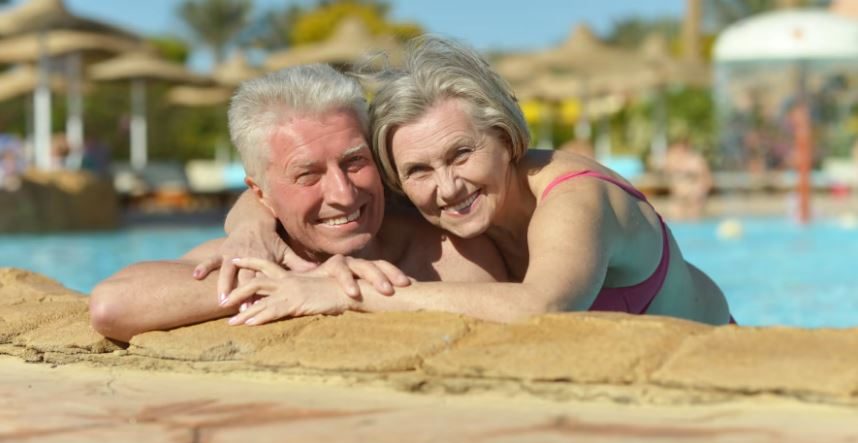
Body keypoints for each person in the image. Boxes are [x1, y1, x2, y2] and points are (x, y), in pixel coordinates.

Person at [219, 36, 732, 326]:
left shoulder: (576, 199)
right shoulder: (433, 194)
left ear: (506, 138)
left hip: (716, 367)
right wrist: (249, 227)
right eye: (418, 170)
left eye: (461, 154)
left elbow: (543, 306)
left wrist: (345, 294)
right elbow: (287, 191)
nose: (447, 187)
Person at [89, 64, 506, 342]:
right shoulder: (260, 255)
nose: (343, 194)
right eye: (308, 175)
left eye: (355, 161)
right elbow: (113, 305)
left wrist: (341, 292)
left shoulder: (447, 250)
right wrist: (303, 280)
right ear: (260, 194)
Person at [665, 139, 713, 220]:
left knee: (693, 218)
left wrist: (701, 191)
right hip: (679, 196)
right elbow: (669, 174)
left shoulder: (696, 160)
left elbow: (707, 179)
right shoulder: (674, 160)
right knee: (675, 216)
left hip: (694, 196)